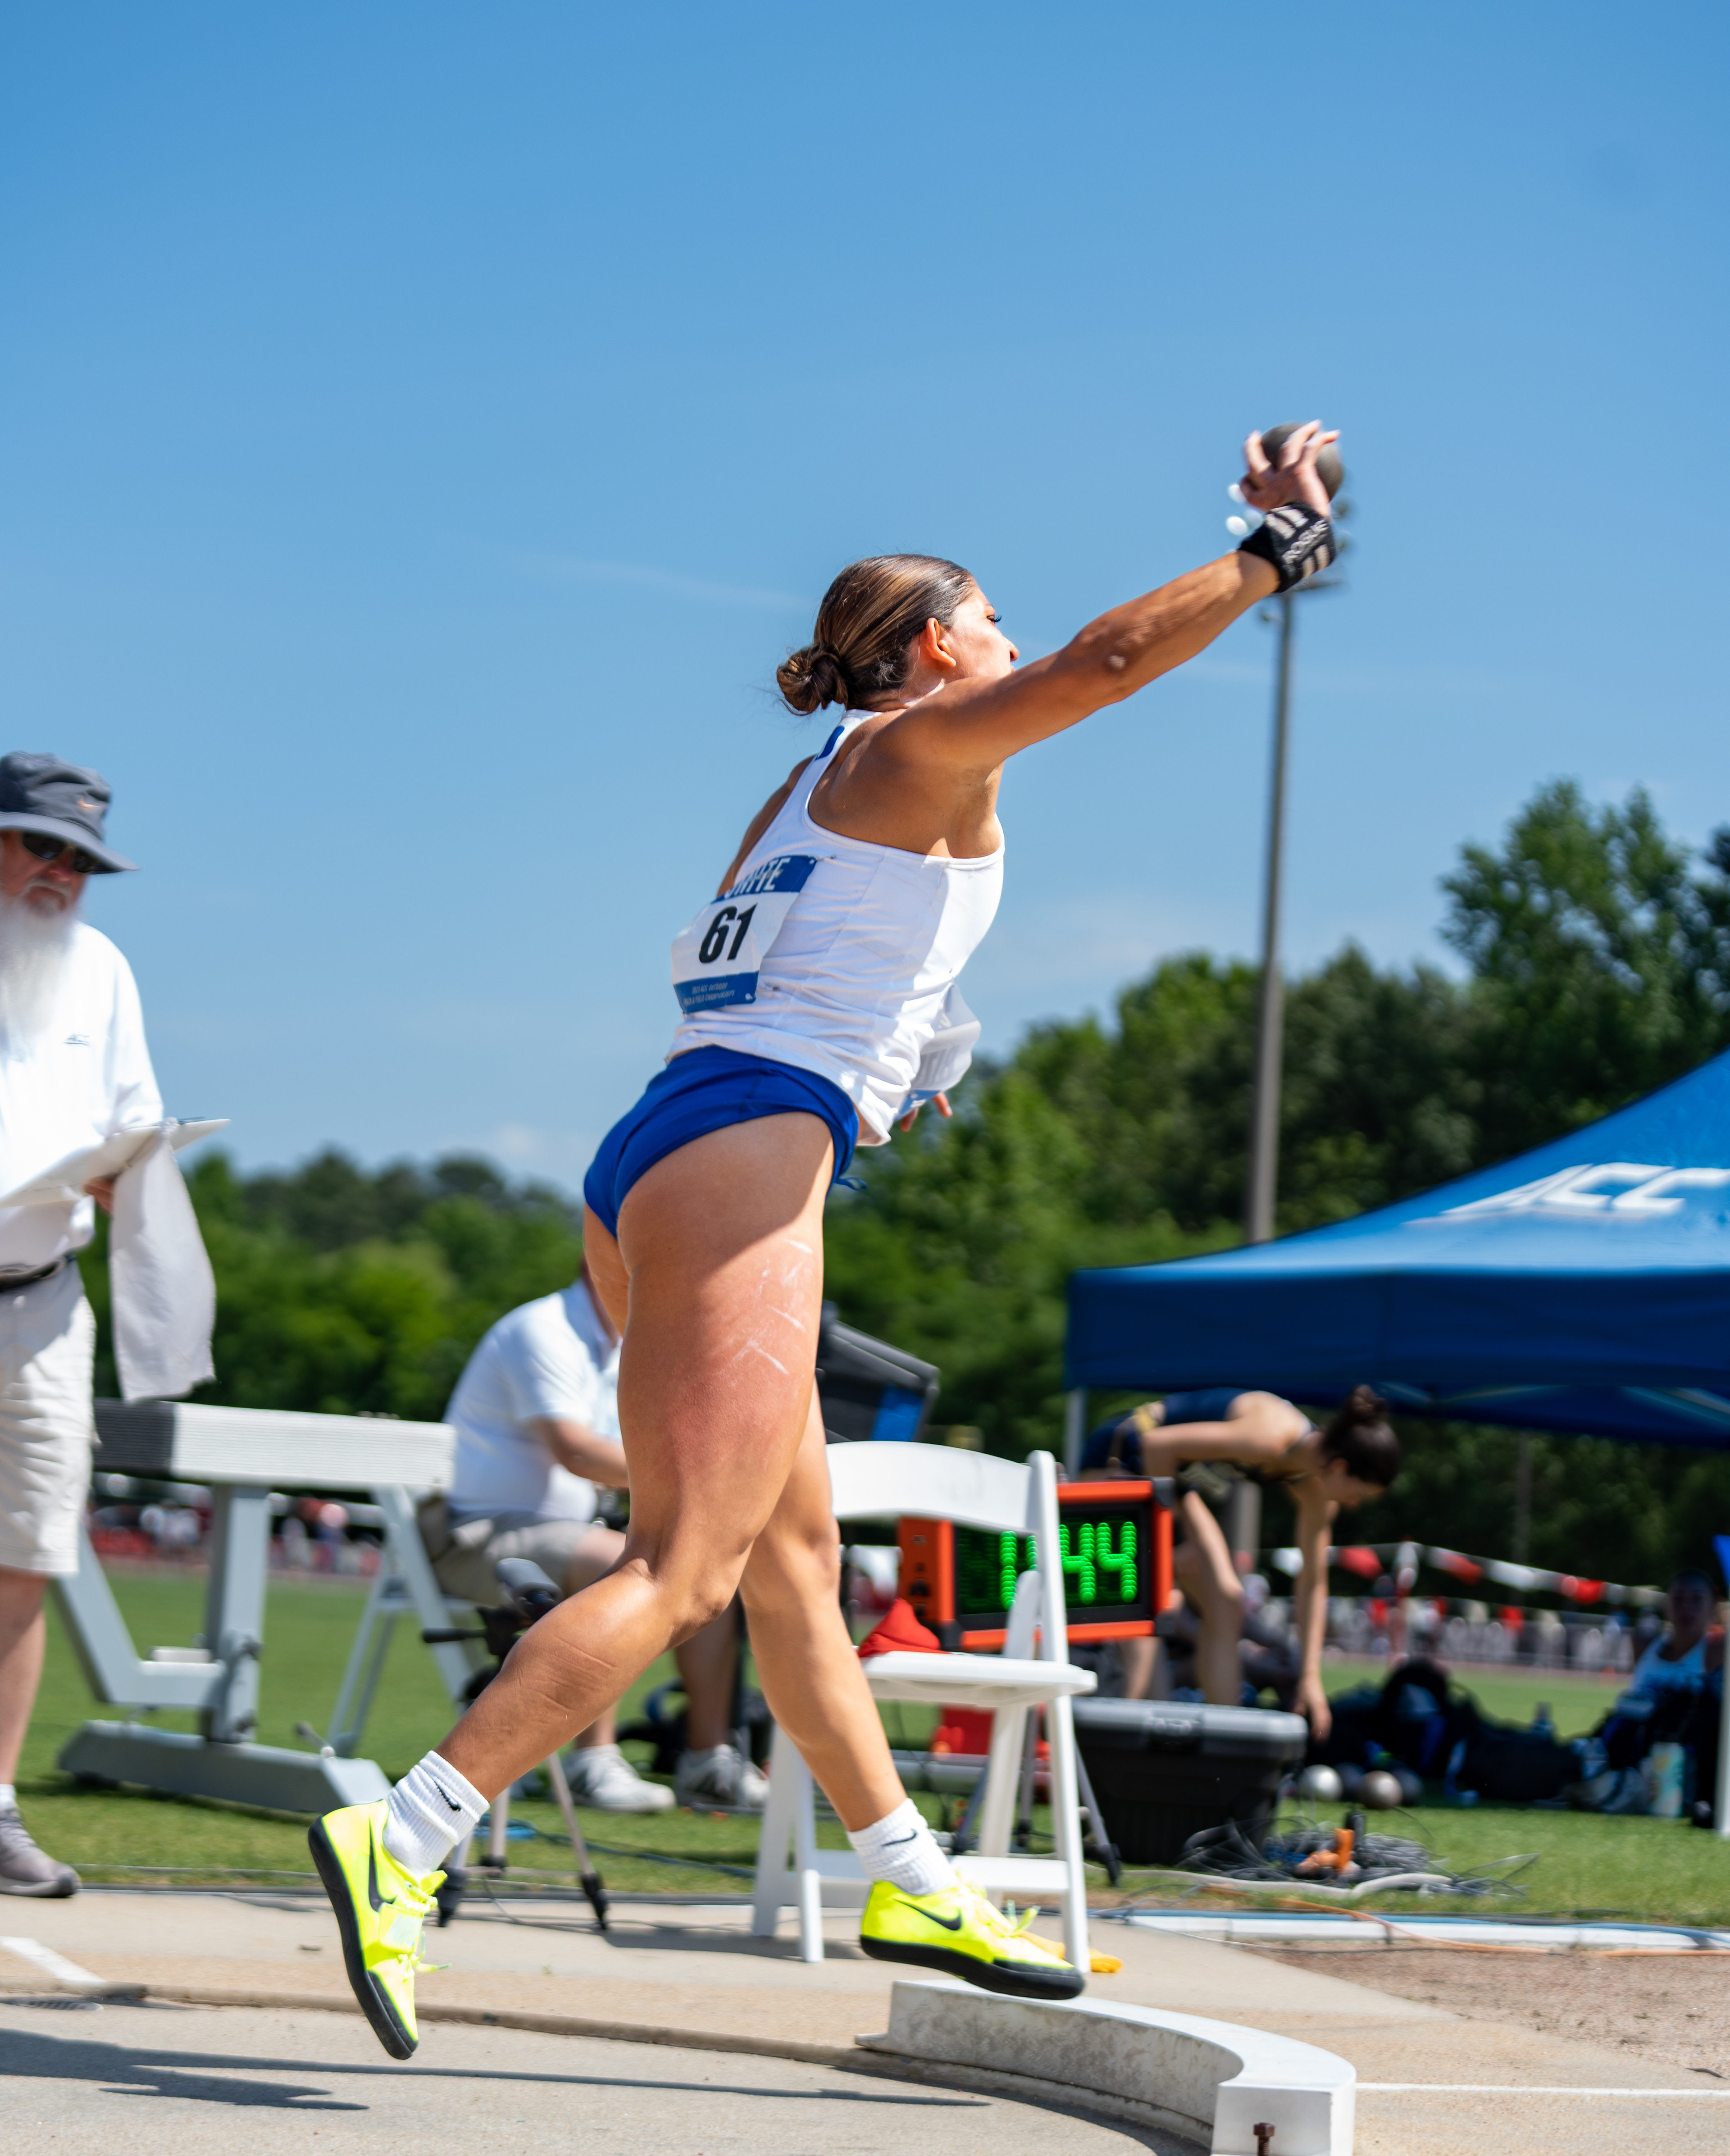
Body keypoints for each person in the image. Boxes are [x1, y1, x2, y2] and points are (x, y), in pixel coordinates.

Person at [310, 424, 1344, 2059]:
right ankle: (412, 1829)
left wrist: (903, 1056)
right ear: (935, 647)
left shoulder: (810, 783)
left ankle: (909, 1871)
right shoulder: (926, 745)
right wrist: (1268, 554)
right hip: (745, 1152)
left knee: (793, 1556)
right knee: (685, 1567)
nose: (1007, 639)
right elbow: (1109, 660)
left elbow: (770, 971)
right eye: (985, 618)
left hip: (667, 1148)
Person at [0, 755, 161, 1897]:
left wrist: (129, 1174)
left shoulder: (101, 968)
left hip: (44, 1297)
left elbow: (132, 1124)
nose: (63, 873)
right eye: (41, 845)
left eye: (82, 860)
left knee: (26, 1562)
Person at [429, 1269, 763, 1813]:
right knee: (619, 1562)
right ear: (607, 1261)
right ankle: (592, 1761)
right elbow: (578, 1453)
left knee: (706, 1568)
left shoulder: (625, 1342)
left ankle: (708, 1761)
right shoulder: (543, 1330)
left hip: (550, 1536)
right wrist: (707, 1479)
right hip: (476, 1538)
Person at [1083, 1386, 1402, 1736]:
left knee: (1227, 1603)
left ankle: (1225, 1742)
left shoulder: (1314, 1490)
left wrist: (1310, 1677)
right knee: (1143, 1608)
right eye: (1358, 1495)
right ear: (1340, 1468)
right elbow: (1157, 1445)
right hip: (1125, 1451)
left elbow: (1313, 1582)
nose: (1353, 1505)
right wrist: (1177, 1535)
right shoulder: (1270, 1438)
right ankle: (1132, 1736)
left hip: (1173, 1478)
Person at [1571, 1569, 1724, 1814]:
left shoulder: (1718, 1652)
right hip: (1627, 1752)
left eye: (1697, 1599)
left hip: (1681, 1769)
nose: (1687, 1607)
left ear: (1713, 1607)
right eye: (1679, 1599)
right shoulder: (1644, 1643)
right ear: (1666, 1604)